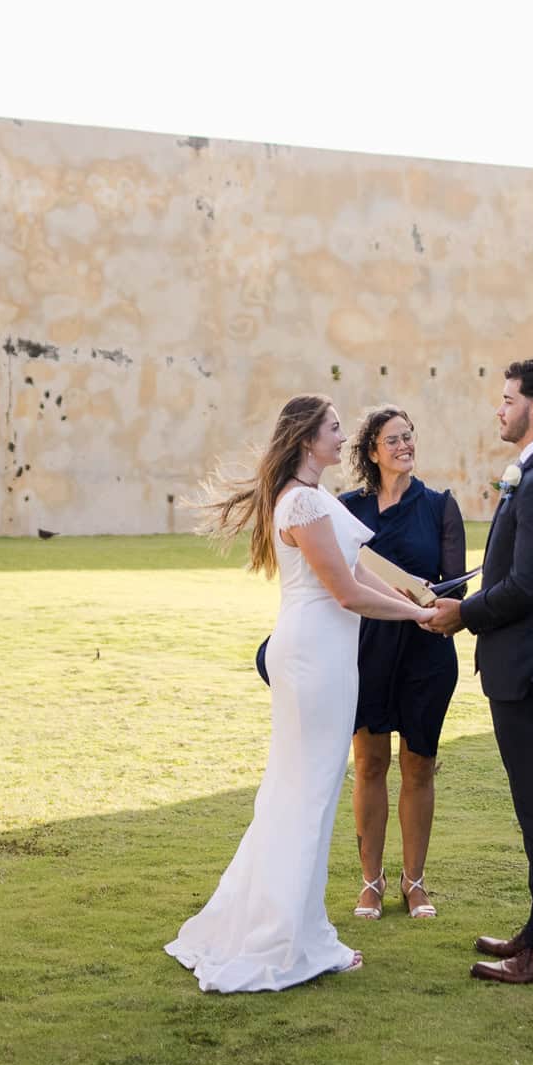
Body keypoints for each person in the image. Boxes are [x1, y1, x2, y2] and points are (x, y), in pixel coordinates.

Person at [166, 395, 432, 993]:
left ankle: (300, 928)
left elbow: (362, 572)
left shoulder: (316, 501)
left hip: (327, 655)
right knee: (306, 794)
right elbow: (345, 592)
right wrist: (414, 618)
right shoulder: (304, 501)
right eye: (334, 430)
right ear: (308, 439)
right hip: (314, 654)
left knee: (306, 791)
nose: (343, 438)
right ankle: (290, 939)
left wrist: (416, 600)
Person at [423, 357, 533, 985]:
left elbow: (525, 585)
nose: (499, 408)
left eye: (508, 399)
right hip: (522, 660)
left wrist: (461, 614)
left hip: (531, 664)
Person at [338, 404, 466, 921]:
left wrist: (431, 595)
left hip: (424, 651)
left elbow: (458, 586)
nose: (404, 446)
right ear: (372, 452)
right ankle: (371, 883)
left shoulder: (440, 506)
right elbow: (336, 577)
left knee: (418, 767)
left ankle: (415, 883)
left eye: (409, 437)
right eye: (393, 440)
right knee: (369, 763)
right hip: (365, 649)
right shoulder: (347, 508)